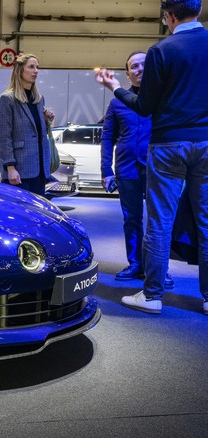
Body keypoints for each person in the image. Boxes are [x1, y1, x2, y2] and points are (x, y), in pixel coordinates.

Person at [95, 0, 208, 315]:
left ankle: (153, 295)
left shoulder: (161, 50)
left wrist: (115, 87)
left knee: (159, 222)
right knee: (206, 222)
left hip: (167, 146)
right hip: (205, 143)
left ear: (169, 17)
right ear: (199, 11)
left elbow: (144, 107)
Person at [100, 51, 175, 289]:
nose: (140, 69)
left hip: (158, 168)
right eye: (134, 66)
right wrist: (106, 170)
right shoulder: (116, 102)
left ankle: (159, 268)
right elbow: (107, 138)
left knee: (159, 220)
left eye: (144, 64)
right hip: (127, 169)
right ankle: (135, 264)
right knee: (131, 219)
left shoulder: (163, 98)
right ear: (128, 73)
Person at [0, 53, 52, 196]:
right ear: (20, 70)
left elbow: (37, 133)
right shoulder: (8, 99)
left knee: (37, 209)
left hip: (39, 170)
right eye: (31, 67)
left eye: (37, 67)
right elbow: (4, 137)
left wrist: (46, 121)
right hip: (19, 171)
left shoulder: (39, 99)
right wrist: (10, 168)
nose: (36, 71)